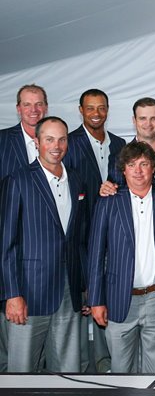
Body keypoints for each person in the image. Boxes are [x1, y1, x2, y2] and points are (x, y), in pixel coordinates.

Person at [0, 116, 87, 372]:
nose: (56, 145)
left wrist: (83, 285)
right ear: (37, 142)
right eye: (49, 139)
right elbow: (6, 243)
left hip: (68, 293)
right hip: (29, 294)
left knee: (67, 370)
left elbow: (78, 239)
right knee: (23, 370)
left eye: (62, 139)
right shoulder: (18, 180)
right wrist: (12, 294)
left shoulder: (76, 181)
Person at [87, 142, 155, 373]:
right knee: (120, 371)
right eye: (131, 164)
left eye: (144, 164)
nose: (138, 171)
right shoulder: (108, 201)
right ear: (123, 169)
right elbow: (96, 254)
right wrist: (96, 300)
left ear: (154, 168)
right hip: (119, 299)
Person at [63, 88, 126, 373]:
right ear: (81, 110)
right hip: (81, 234)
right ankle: (78, 365)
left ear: (108, 109)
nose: (96, 113)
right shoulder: (70, 143)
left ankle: (108, 361)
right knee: (82, 299)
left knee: (108, 295)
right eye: (90, 108)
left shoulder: (121, 144)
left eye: (101, 108)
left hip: (113, 235)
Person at [0, 83, 49, 372]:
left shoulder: (59, 142)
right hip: (10, 242)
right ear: (18, 108)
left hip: (47, 249)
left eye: (39, 104)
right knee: (13, 330)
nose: (34, 110)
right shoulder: (3, 142)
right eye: (28, 104)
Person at [99, 97, 155, 197]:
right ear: (134, 120)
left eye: (153, 118)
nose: (148, 124)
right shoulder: (118, 156)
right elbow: (114, 189)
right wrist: (107, 189)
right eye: (142, 118)